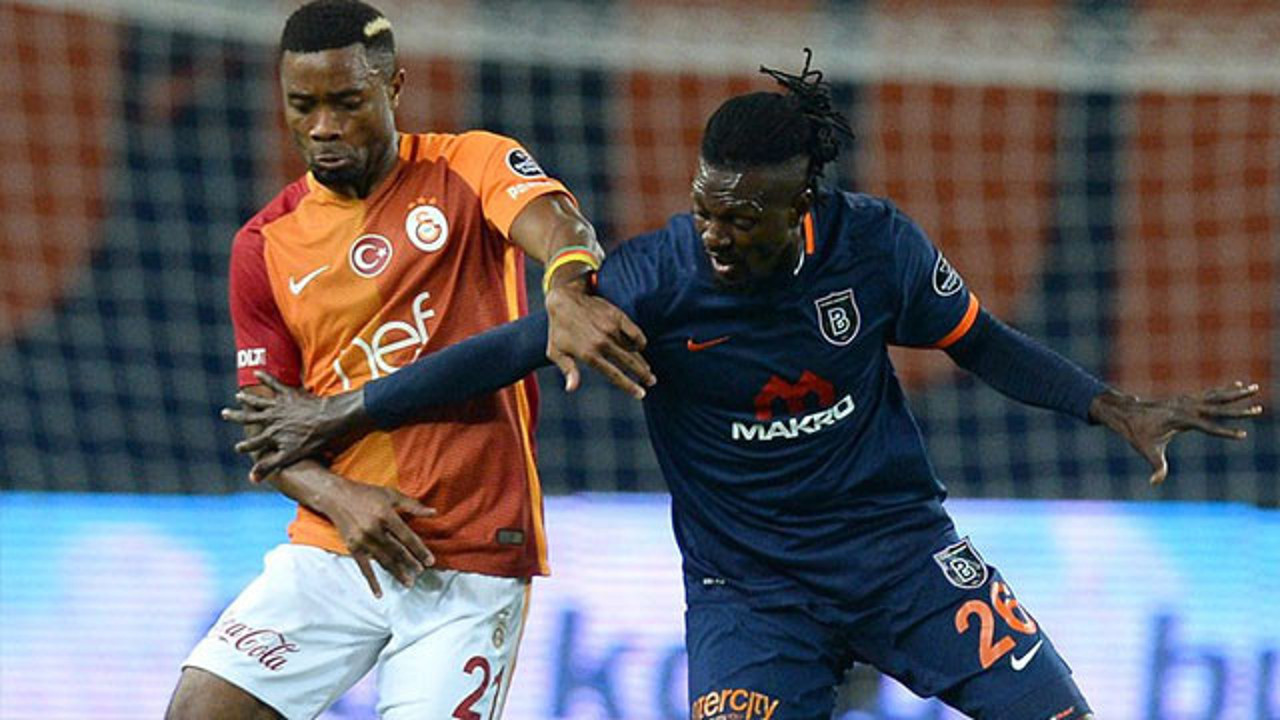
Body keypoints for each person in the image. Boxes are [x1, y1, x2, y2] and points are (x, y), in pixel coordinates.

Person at [224, 53, 1263, 719]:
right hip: (748, 591)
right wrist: (343, 408)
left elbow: (982, 344)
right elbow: (504, 350)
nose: (716, 235)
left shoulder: (877, 248)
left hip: (899, 555)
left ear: (802, 205)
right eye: (704, 209)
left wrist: (1112, 405)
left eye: (741, 218)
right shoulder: (657, 278)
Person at [166, 2, 653, 719]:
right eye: (302, 105)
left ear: (393, 87)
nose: (323, 126)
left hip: (467, 557)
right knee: (200, 710)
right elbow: (271, 434)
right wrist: (341, 499)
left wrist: (567, 285)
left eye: (346, 102)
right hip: (335, 547)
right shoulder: (263, 246)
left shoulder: (469, 164)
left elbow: (561, 228)